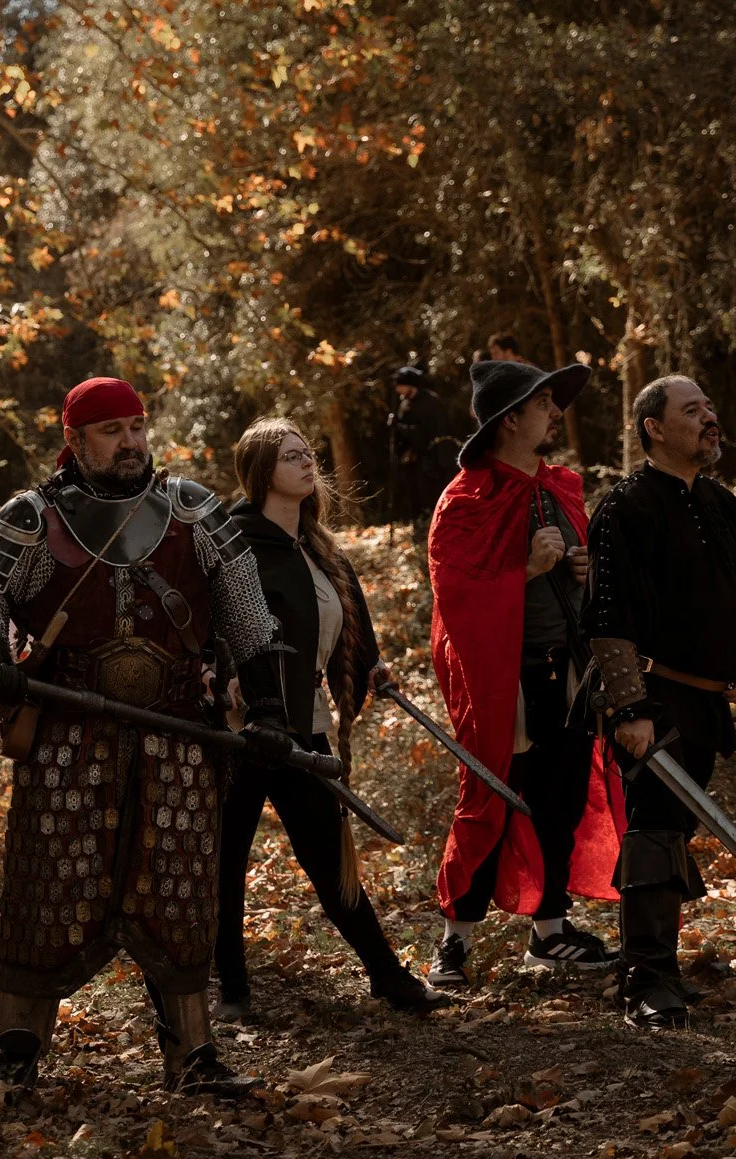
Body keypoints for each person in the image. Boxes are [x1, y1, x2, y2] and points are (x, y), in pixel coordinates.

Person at [0, 376, 292, 1096]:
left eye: (137, 427)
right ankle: (16, 1051)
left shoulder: (194, 512)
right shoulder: (30, 517)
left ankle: (193, 1055)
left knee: (178, 889)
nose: (131, 442)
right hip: (67, 738)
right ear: (74, 441)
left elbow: (250, 620)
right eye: (112, 431)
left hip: (176, 738)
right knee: (49, 885)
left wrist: (266, 709)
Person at [216, 418, 450, 1019]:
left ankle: (387, 976)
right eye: (290, 456)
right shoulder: (232, 542)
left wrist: (369, 669)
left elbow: (352, 635)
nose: (305, 462)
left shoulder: (321, 551)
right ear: (262, 472)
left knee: (330, 857)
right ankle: (232, 989)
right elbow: (209, 627)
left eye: (307, 453)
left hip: (304, 728)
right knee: (225, 861)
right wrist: (224, 679)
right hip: (237, 732)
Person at [425, 359, 625, 989]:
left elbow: (587, 579)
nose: (555, 414)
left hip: (563, 673)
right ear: (511, 420)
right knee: (487, 798)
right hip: (499, 682)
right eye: (543, 405)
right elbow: (455, 595)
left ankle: (551, 930)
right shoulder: (465, 501)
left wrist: (580, 572)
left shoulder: (562, 487)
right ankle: (454, 940)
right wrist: (527, 573)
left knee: (560, 797)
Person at [587, 376, 736, 1029]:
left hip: (708, 702)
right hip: (653, 695)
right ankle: (646, 974)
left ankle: (657, 965)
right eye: (692, 410)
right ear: (654, 429)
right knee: (655, 826)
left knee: (675, 828)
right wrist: (629, 709)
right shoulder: (624, 509)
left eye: (711, 405)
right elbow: (608, 617)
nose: (709, 417)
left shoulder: (721, 502)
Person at [388, 366, 458, 524]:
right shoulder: (404, 404)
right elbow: (404, 432)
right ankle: (418, 524)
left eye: (400, 385)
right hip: (413, 461)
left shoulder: (431, 402)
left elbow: (437, 431)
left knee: (432, 494)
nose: (398, 390)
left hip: (432, 459)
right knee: (414, 495)